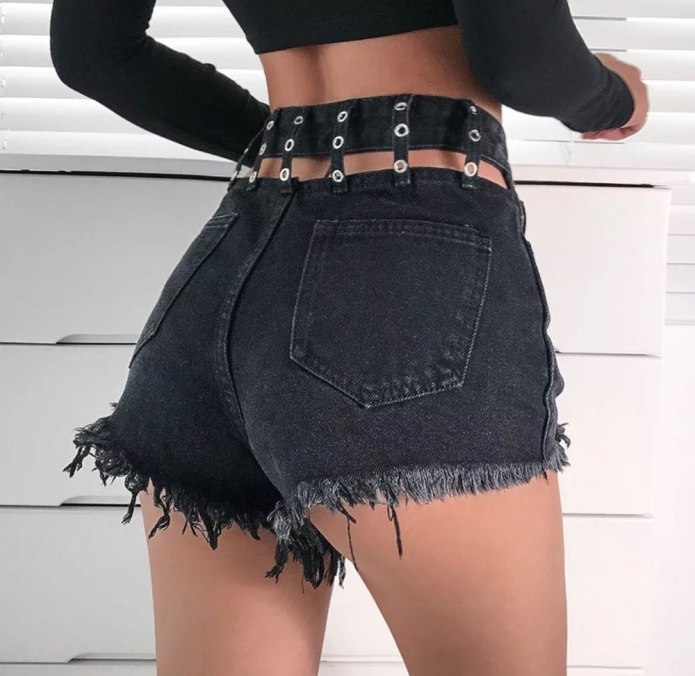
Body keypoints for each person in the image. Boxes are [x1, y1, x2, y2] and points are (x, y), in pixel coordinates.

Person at [49, 1, 649, 674]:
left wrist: (299, 144)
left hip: (223, 275)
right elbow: (525, 60)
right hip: (406, 279)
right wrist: (613, 95)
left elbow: (95, 55)